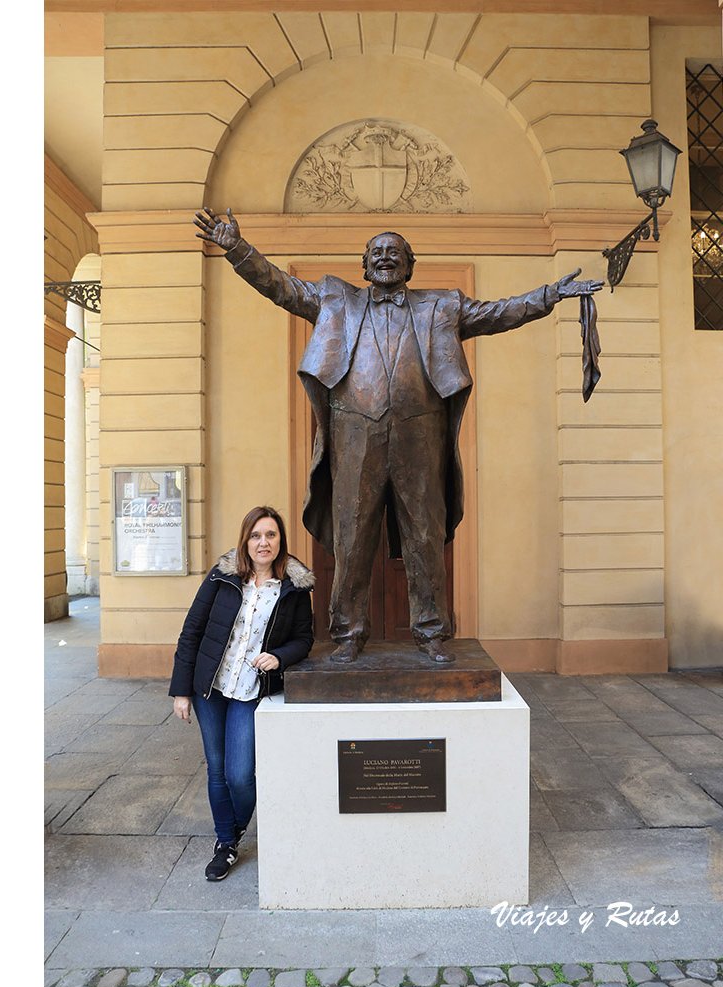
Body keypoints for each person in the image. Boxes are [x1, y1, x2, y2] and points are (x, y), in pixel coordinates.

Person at [195, 208, 603, 663]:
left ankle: (430, 632)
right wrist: (236, 248)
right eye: (377, 252)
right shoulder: (334, 300)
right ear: (365, 264)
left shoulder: (443, 305)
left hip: (419, 437)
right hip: (354, 437)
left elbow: (499, 313)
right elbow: (281, 286)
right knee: (352, 538)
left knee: (424, 536)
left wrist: (552, 294)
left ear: (410, 265)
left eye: (395, 253)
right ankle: (348, 633)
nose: (385, 258)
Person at [170, 505, 314, 881]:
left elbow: (304, 639)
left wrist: (278, 657)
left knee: (240, 775)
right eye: (256, 535)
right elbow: (191, 633)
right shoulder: (222, 577)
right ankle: (226, 843)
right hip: (210, 689)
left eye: (270, 535)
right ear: (245, 540)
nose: (262, 542)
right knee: (216, 769)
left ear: (280, 541)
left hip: (249, 691)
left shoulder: (293, 588)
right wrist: (181, 692)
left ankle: (234, 829)